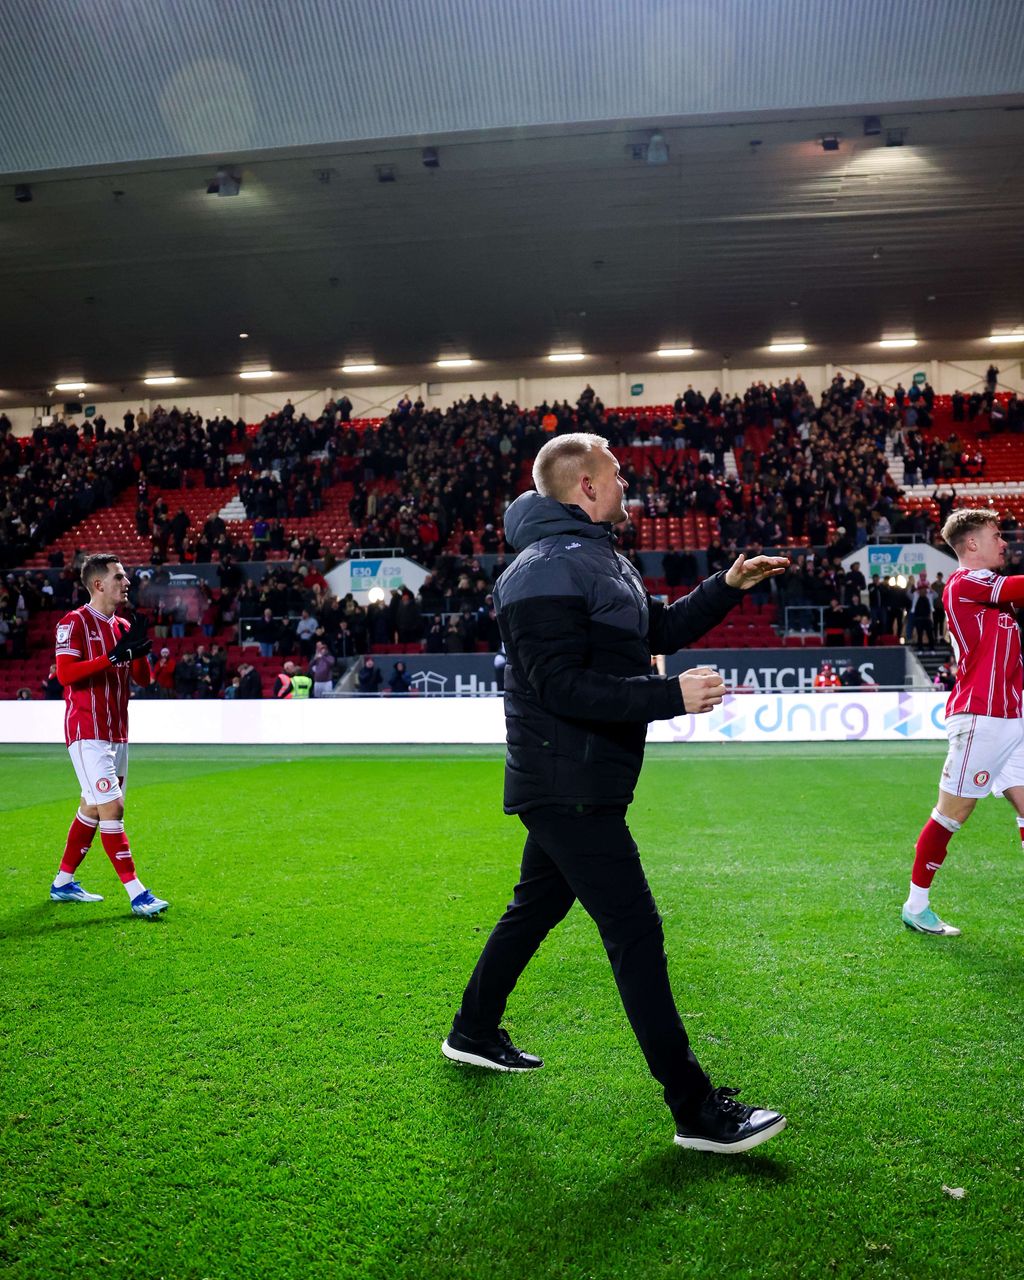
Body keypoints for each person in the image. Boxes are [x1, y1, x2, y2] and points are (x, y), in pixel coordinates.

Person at [440, 432, 789, 1155]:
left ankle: (472, 1031)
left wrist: (725, 586)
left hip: (579, 778)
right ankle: (696, 1111)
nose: (628, 486)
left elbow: (653, 628)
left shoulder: (597, 557)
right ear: (585, 488)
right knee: (636, 932)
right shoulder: (540, 571)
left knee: (535, 907)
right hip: (565, 783)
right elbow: (558, 685)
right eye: (618, 476)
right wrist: (671, 695)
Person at [902, 509, 1024, 937]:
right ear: (971, 544)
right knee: (952, 813)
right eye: (997, 535)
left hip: (1012, 714)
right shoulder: (967, 581)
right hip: (981, 716)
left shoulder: (996, 593)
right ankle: (916, 906)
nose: (1005, 542)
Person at [49, 554, 168, 918]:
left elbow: (144, 680)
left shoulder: (122, 626)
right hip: (88, 732)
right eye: (119, 577)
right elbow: (66, 675)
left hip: (118, 734)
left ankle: (63, 882)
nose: (126, 583)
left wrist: (141, 649)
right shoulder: (73, 623)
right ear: (98, 584)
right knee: (112, 808)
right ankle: (138, 893)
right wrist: (114, 657)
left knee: (93, 807)